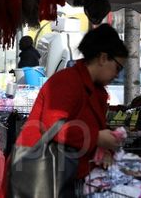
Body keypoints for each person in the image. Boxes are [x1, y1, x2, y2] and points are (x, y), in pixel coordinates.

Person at [14, 24, 128, 196]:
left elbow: (89, 126)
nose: (117, 75)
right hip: (41, 171)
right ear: (103, 58)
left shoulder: (95, 88)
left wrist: (105, 149)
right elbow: (54, 127)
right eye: (118, 68)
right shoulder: (67, 81)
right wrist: (96, 138)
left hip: (66, 173)